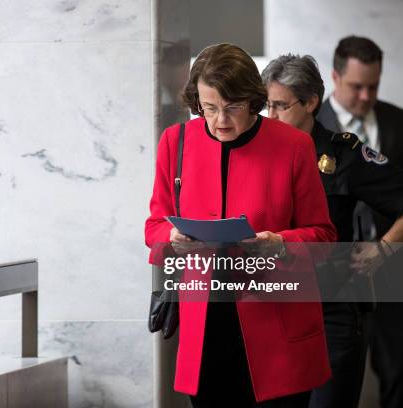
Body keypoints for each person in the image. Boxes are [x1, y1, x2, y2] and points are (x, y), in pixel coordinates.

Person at [145, 43, 337, 408]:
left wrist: (280, 243)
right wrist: (172, 238)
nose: (220, 121)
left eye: (231, 108)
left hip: (278, 327)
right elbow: (154, 224)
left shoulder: (294, 146)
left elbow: (324, 236)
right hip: (205, 328)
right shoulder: (176, 141)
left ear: (252, 100)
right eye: (209, 108)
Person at [262, 53, 403, 408]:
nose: (271, 116)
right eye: (266, 106)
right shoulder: (259, 153)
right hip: (276, 310)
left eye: (280, 106)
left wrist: (383, 248)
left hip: (333, 312)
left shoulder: (344, 155)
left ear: (310, 102)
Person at [317, 36, 403, 408]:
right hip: (332, 277)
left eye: (373, 85)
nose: (366, 96)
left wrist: (386, 248)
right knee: (331, 379)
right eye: (356, 86)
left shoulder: (398, 121)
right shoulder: (308, 123)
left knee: (399, 370)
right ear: (335, 77)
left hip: (393, 270)